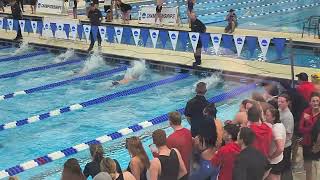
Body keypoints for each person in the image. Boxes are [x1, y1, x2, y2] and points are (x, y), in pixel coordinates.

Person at [299, 92, 320, 180]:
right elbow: (300, 128)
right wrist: (312, 126)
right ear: (310, 102)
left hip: (318, 144)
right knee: (308, 168)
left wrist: (317, 146)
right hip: (307, 143)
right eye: (313, 101)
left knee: (317, 167)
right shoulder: (306, 111)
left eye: (317, 101)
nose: (315, 103)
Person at [264, 108, 286, 180]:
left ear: (273, 118)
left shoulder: (275, 130)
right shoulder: (280, 124)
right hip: (279, 159)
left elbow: (280, 148)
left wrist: (271, 157)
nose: (265, 117)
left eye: (267, 115)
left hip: (274, 162)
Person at [278, 93, 294, 179]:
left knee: (285, 168)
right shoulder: (280, 110)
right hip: (281, 144)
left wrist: (280, 144)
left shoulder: (288, 116)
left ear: (287, 103)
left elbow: (289, 134)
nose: (279, 103)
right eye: (279, 101)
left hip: (285, 146)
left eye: (282, 102)